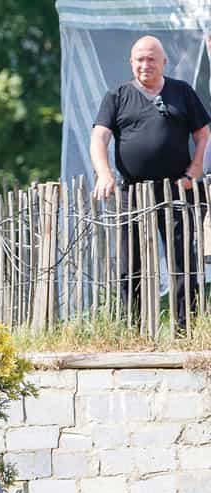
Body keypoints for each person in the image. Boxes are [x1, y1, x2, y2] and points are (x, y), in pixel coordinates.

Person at [90, 35, 209, 332]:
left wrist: (195, 169)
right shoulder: (116, 96)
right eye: (140, 59)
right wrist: (104, 173)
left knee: (183, 259)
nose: (146, 64)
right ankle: (134, 328)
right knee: (132, 262)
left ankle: (187, 328)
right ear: (131, 63)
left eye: (151, 58)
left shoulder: (182, 92)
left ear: (163, 62)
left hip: (176, 190)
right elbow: (99, 137)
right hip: (134, 191)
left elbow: (203, 133)